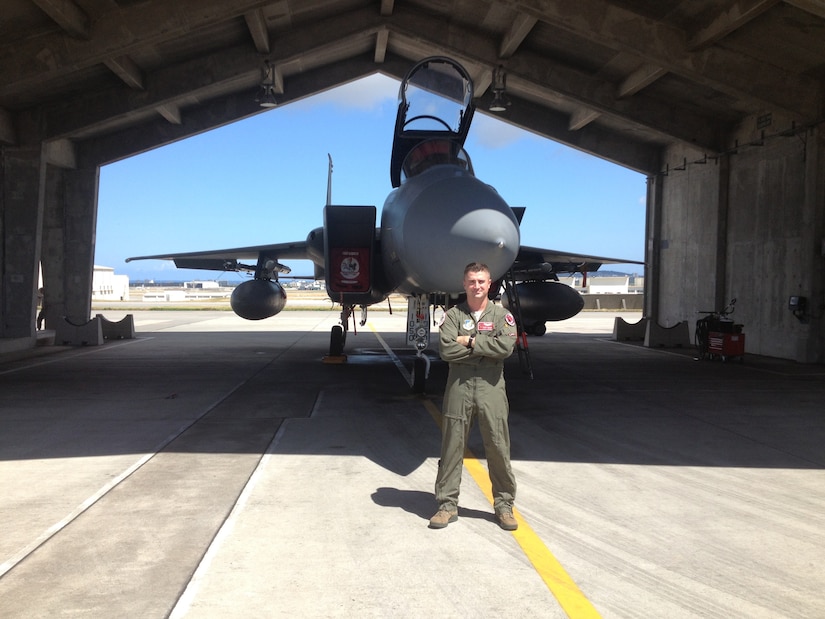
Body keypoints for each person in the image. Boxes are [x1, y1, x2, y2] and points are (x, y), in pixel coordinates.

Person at [429, 262, 519, 531]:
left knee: (498, 445)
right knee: (451, 445)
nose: (477, 286)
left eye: (481, 281)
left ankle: (504, 505)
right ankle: (446, 505)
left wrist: (468, 342)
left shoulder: (502, 316)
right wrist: (486, 347)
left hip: (491, 387)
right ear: (464, 284)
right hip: (459, 385)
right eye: (472, 281)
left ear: (489, 283)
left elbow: (505, 347)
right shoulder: (453, 315)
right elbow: (446, 351)